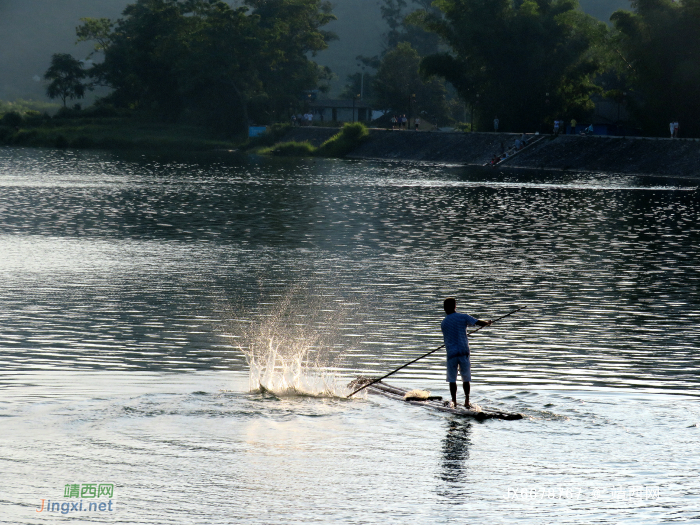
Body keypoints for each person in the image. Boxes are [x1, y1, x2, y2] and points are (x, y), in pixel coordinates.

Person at [441, 298, 492, 408]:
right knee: (466, 378)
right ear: (455, 306)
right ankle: (467, 401)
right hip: (464, 351)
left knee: (452, 379)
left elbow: (447, 339)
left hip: (451, 353)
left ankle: (454, 401)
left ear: (445, 308)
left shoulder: (444, 323)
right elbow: (478, 322)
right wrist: (487, 323)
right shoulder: (463, 317)